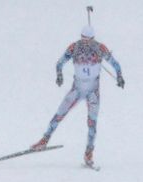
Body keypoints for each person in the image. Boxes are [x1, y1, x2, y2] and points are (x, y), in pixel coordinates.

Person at [31, 24, 125, 168]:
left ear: (92, 39)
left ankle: (88, 154)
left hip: (93, 92)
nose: (86, 44)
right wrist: (59, 75)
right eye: (84, 40)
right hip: (77, 90)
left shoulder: (98, 48)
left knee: (92, 123)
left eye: (88, 40)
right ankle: (44, 140)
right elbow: (59, 63)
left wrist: (119, 77)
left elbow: (116, 64)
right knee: (59, 114)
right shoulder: (76, 47)